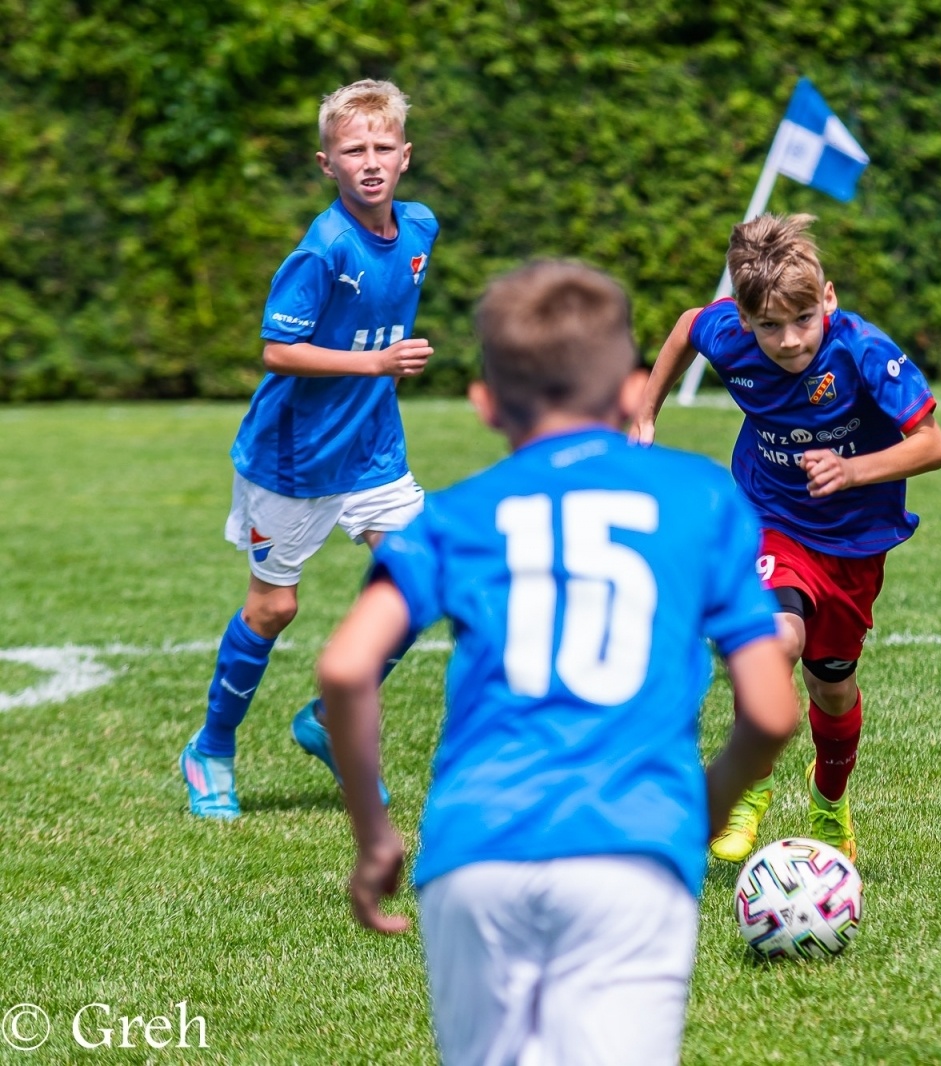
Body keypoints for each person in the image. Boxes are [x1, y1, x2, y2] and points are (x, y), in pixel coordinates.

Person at [317, 260, 797, 1066]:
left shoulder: (456, 514)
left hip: (475, 848)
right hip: (633, 847)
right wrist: (706, 810)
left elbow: (344, 667)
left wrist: (374, 837)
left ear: (484, 404)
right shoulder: (703, 497)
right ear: (633, 390)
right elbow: (773, 711)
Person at [632, 213, 941, 862]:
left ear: (827, 298)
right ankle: (750, 788)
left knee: (832, 688)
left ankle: (830, 803)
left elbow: (932, 444)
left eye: (803, 319)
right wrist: (645, 412)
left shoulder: (861, 351)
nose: (789, 339)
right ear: (745, 320)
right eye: (769, 326)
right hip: (769, 517)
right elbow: (689, 325)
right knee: (776, 641)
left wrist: (852, 470)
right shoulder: (731, 335)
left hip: (853, 541)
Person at [179, 79, 438, 819]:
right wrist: (376, 363)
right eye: (353, 150)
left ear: (405, 155)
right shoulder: (323, 249)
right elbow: (277, 351)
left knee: (422, 576)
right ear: (327, 163)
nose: (370, 161)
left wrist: (377, 375)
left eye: (383, 147)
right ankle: (210, 750)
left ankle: (329, 719)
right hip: (294, 456)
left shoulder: (420, 228)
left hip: (373, 449)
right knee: (274, 609)